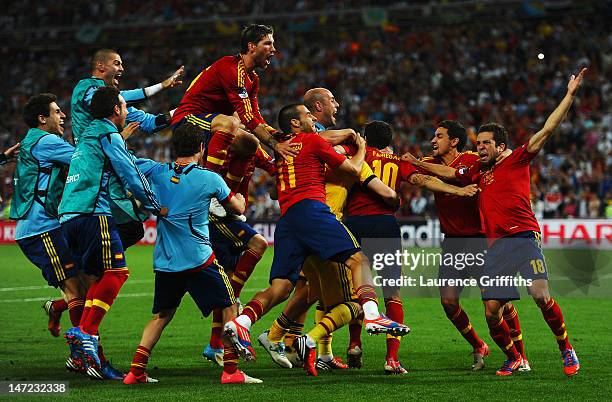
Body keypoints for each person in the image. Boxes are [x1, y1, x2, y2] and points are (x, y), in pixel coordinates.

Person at [224, 104, 409, 369]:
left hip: (288, 221)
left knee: (283, 287)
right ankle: (371, 315)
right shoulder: (311, 141)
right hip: (314, 212)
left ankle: (241, 323)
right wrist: (360, 149)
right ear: (296, 124)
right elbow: (355, 171)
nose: (312, 117)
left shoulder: (281, 149)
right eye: (307, 115)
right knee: (359, 262)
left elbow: (276, 190)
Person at [428, 69, 585, 376]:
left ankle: (566, 348)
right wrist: (413, 163)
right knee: (491, 311)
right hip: (495, 247)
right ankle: (513, 356)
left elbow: (547, 130)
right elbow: (449, 174)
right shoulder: (477, 172)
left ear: (500, 146)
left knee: (540, 294)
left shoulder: (518, 160)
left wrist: (569, 95)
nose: (480, 148)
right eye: (479, 142)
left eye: (486, 143)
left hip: (524, 238)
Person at [124, 123, 260, 384]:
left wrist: (120, 138)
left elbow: (122, 159)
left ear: (173, 147)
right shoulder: (209, 178)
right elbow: (236, 207)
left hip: (165, 261)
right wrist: (241, 200)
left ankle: (136, 372)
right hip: (198, 259)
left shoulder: (155, 171)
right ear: (201, 148)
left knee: (162, 315)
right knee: (229, 306)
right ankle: (231, 371)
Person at [344, 120, 479, 374]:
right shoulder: (397, 161)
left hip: (354, 225)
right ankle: (391, 359)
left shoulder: (356, 155)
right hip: (385, 227)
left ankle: (354, 344)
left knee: (357, 290)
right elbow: (423, 180)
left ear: (365, 138)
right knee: (392, 293)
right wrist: (458, 191)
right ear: (389, 140)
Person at [59, 86, 165, 379]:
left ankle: (90, 358)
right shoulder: (108, 133)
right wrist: (154, 205)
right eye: (123, 105)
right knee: (117, 273)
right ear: (116, 110)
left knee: (94, 278)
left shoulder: (85, 136)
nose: (127, 110)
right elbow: (129, 172)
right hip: (93, 213)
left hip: (68, 216)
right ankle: (85, 333)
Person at [407, 120, 529, 371]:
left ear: (453, 141)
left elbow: (502, 159)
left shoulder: (473, 159)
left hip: (482, 239)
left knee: (498, 304)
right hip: (452, 242)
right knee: (448, 302)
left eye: (439, 136)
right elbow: (418, 178)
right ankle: (478, 345)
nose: (433, 141)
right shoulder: (430, 163)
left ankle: (520, 355)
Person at [71, 48, 183, 248]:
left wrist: (188, 108)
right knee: (128, 227)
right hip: (95, 162)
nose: (122, 68)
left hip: (117, 156)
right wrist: (161, 86)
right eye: (117, 63)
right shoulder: (86, 88)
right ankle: (95, 263)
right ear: (100, 66)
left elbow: (151, 122)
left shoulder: (120, 108)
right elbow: (101, 100)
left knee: (163, 170)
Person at [9, 93, 90, 366]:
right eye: (57, 111)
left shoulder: (34, 140)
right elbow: (84, 158)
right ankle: (81, 355)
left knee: (86, 284)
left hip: (48, 226)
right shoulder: (47, 142)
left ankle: (57, 307)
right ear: (43, 119)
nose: (63, 115)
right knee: (77, 290)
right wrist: (117, 137)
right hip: (41, 229)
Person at [171, 24, 296, 179]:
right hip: (187, 121)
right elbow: (247, 118)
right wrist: (276, 145)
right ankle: (209, 185)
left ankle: (230, 194)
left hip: (212, 123)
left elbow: (255, 116)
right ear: (251, 46)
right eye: (268, 43)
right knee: (234, 122)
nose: (273, 49)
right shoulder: (231, 68)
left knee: (250, 143)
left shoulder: (253, 78)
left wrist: (278, 135)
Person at [202, 144, 275, 367]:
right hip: (218, 215)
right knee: (259, 243)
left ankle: (215, 345)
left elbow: (271, 166)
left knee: (229, 275)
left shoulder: (252, 145)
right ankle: (235, 296)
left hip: (233, 214)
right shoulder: (221, 144)